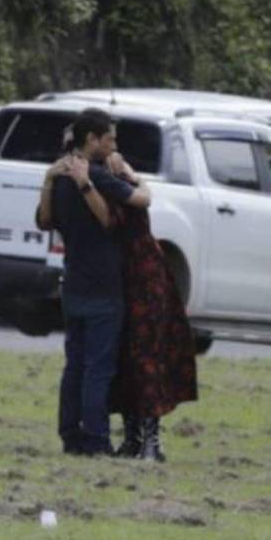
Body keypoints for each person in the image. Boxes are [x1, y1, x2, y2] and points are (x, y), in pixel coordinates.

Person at [44, 109, 151, 456]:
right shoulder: (96, 176)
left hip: (72, 282)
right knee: (98, 368)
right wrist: (132, 175)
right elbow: (137, 202)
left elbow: (44, 221)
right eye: (110, 139)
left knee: (74, 364)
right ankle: (96, 440)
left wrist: (47, 179)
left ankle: (70, 436)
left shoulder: (59, 174)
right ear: (92, 139)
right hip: (104, 287)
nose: (115, 145)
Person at [103, 151, 198, 462]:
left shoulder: (118, 186)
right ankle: (134, 437)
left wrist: (132, 176)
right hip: (126, 279)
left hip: (142, 280)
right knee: (125, 358)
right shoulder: (113, 184)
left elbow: (135, 204)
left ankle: (150, 440)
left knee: (145, 356)